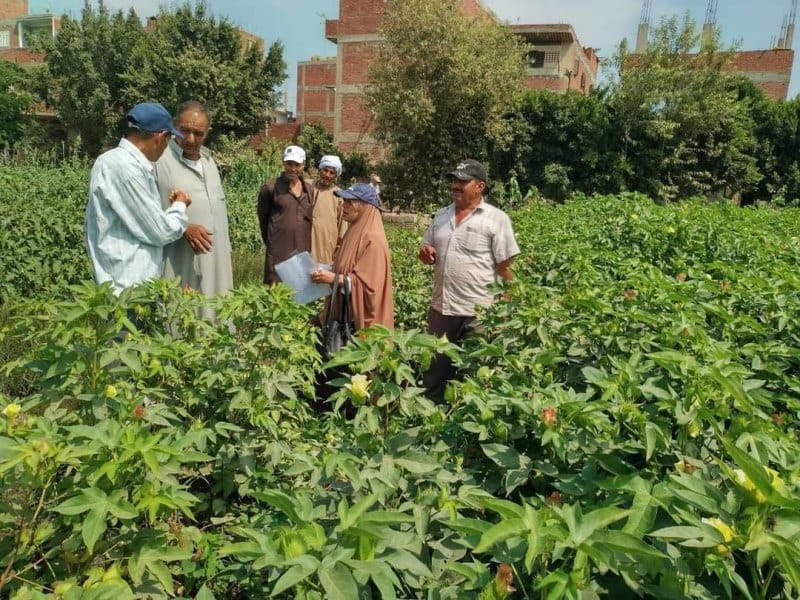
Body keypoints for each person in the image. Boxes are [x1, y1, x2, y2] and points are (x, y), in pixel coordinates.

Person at [419, 159, 519, 400]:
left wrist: (507, 309)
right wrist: (425, 252)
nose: (456, 185)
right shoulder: (441, 216)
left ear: (479, 186)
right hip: (442, 309)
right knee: (434, 371)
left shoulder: (497, 219)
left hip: (479, 312)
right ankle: (427, 423)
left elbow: (505, 268)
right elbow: (426, 248)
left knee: (477, 374)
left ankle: (465, 430)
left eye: (462, 181)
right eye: (454, 180)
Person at [85, 102, 191, 296]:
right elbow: (159, 231)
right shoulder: (126, 168)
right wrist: (180, 205)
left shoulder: (114, 161)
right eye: (169, 140)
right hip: (128, 290)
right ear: (160, 137)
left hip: (125, 286)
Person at [155, 100, 233, 321]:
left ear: (207, 133)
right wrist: (184, 227)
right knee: (183, 318)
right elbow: (145, 212)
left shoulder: (209, 162)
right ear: (173, 125)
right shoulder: (159, 160)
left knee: (218, 318)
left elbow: (220, 215)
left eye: (198, 133)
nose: (190, 139)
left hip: (217, 264)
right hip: (179, 261)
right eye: (184, 131)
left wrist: (227, 256)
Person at [311, 182, 393, 330]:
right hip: (346, 314)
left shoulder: (373, 240)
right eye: (344, 201)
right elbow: (347, 267)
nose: (344, 206)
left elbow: (369, 287)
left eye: (350, 202)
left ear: (366, 207)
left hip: (361, 322)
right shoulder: (353, 231)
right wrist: (327, 269)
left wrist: (332, 278)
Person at [257, 145, 315, 284]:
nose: (293, 168)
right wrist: (272, 242)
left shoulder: (309, 190)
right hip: (279, 249)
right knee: (276, 289)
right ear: (283, 163)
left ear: (303, 165)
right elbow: (263, 220)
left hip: (302, 249)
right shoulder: (270, 188)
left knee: (300, 289)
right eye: (289, 163)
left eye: (297, 164)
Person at [311, 154, 347, 266]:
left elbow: (343, 225)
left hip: (326, 245)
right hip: (305, 242)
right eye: (325, 170)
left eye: (332, 173)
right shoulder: (308, 187)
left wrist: (339, 247)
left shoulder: (339, 195)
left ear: (336, 175)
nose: (327, 175)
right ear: (320, 170)